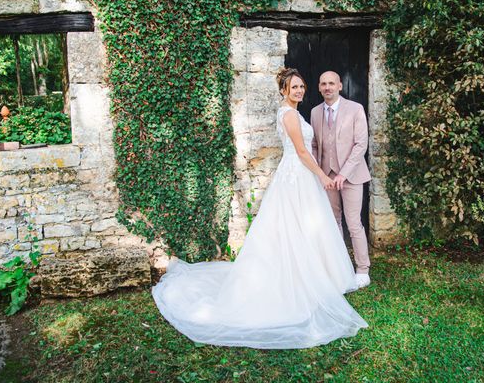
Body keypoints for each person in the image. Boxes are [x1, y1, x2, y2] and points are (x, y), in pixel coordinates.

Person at [152, 68, 368, 349]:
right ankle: (300, 280)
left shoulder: (298, 112)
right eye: (294, 87)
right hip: (297, 176)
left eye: (302, 87)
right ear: (283, 90)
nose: (299, 91)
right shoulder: (289, 114)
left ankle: (327, 274)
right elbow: (303, 152)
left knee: (312, 226)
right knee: (294, 228)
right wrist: (323, 176)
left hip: (302, 176)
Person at [311, 71, 371, 289]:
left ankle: (363, 269)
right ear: (319, 87)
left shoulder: (355, 109)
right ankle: (339, 267)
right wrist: (321, 173)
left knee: (354, 223)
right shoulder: (315, 112)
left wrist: (343, 173)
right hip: (327, 177)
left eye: (331, 83)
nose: (327, 87)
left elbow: (360, 144)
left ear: (339, 86)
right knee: (333, 222)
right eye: (323, 84)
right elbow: (316, 145)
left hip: (352, 176)